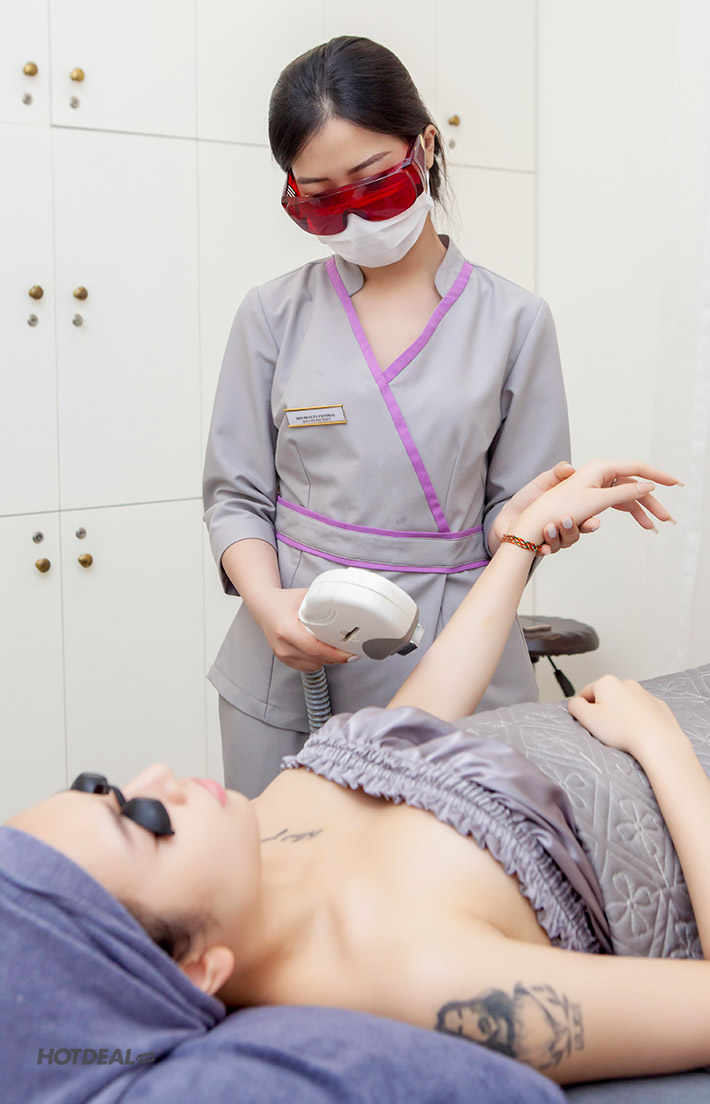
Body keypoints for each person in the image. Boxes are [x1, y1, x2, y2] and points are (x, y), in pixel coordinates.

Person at [12, 458, 709, 1090]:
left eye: (106, 790)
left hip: (636, 716)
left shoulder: (257, 842)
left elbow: (410, 724)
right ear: (198, 970)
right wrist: (661, 747)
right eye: (144, 821)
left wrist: (523, 540)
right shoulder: (419, 980)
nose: (158, 778)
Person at [203, 34, 580, 796]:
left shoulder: (515, 323)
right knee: (277, 863)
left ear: (425, 148)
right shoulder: (272, 316)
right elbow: (234, 496)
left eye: (372, 185)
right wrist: (268, 606)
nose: (353, 217)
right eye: (320, 201)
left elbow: (512, 515)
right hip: (292, 660)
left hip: (452, 660)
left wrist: (528, 528)